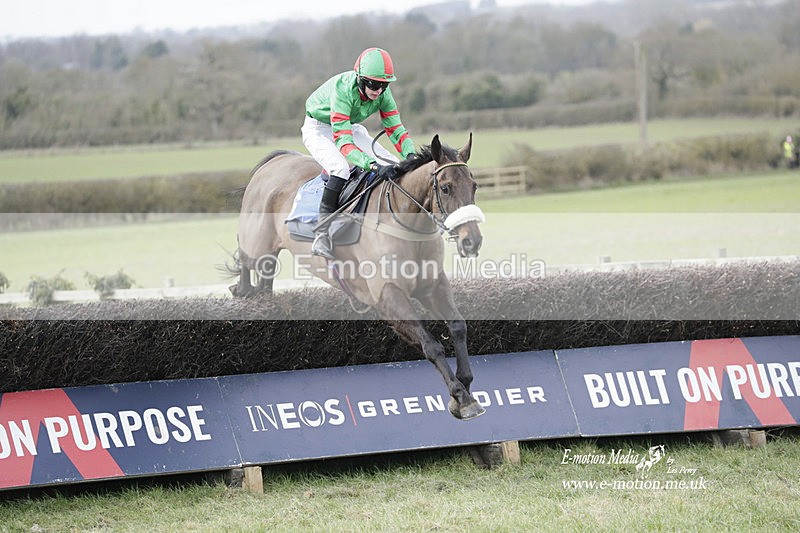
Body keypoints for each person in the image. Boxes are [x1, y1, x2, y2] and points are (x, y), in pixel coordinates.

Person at [302, 47, 417, 259]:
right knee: (340, 168)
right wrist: (373, 166)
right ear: (360, 79)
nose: (378, 90)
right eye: (373, 84)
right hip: (319, 128)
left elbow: (395, 129)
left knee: (393, 163)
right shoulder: (344, 90)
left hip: (349, 125)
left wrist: (411, 156)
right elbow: (344, 143)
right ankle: (322, 233)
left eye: (383, 85)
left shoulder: (383, 93)